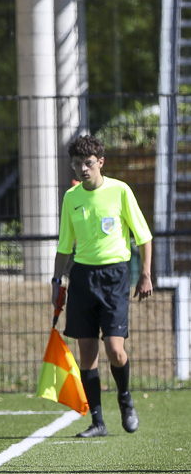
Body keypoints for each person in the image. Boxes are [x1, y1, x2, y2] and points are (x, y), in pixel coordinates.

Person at [51, 135, 153, 438]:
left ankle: (125, 399)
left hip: (115, 277)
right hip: (82, 278)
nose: (83, 168)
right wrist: (57, 280)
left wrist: (145, 274)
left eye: (88, 163)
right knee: (86, 352)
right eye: (77, 163)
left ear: (100, 163)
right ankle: (97, 421)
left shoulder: (120, 191)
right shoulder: (72, 197)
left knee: (115, 348)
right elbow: (64, 245)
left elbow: (143, 236)